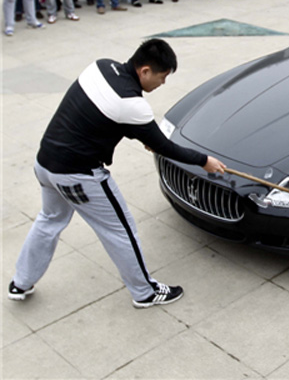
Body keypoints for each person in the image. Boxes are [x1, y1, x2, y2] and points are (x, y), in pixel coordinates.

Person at [7, 39, 227, 307]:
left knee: (49, 220)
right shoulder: (132, 104)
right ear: (145, 71)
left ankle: (21, 282)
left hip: (45, 164)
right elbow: (164, 147)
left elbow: (96, 115)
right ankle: (145, 292)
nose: (162, 84)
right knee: (121, 230)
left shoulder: (100, 67)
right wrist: (204, 161)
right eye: (162, 76)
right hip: (79, 176)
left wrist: (140, 133)